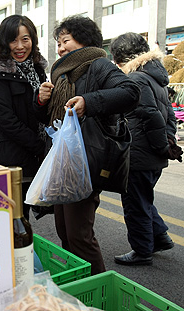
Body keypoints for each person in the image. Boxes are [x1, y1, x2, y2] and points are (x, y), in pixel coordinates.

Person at [35, 15, 140, 275]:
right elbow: (50, 120)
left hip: (85, 163)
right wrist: (40, 102)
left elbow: (130, 92)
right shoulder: (61, 73)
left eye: (65, 41)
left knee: (80, 235)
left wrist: (88, 102)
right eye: (58, 43)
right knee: (65, 232)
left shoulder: (99, 65)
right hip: (62, 164)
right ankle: (78, 287)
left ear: (84, 40)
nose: (60, 48)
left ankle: (98, 292)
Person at [109, 32, 181, 265]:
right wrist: (167, 143)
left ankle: (142, 251)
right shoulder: (155, 78)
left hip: (140, 154)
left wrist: (161, 146)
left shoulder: (137, 79)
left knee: (135, 204)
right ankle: (159, 236)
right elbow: (169, 116)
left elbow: (151, 116)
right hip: (151, 156)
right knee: (143, 198)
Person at [0, 15, 48, 219]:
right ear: (4, 42)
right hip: (10, 156)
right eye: (13, 40)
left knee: (25, 216)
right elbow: (4, 118)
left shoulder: (38, 69)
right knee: (12, 219)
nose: (20, 46)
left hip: (35, 156)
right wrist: (39, 146)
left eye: (25, 39)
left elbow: (40, 110)